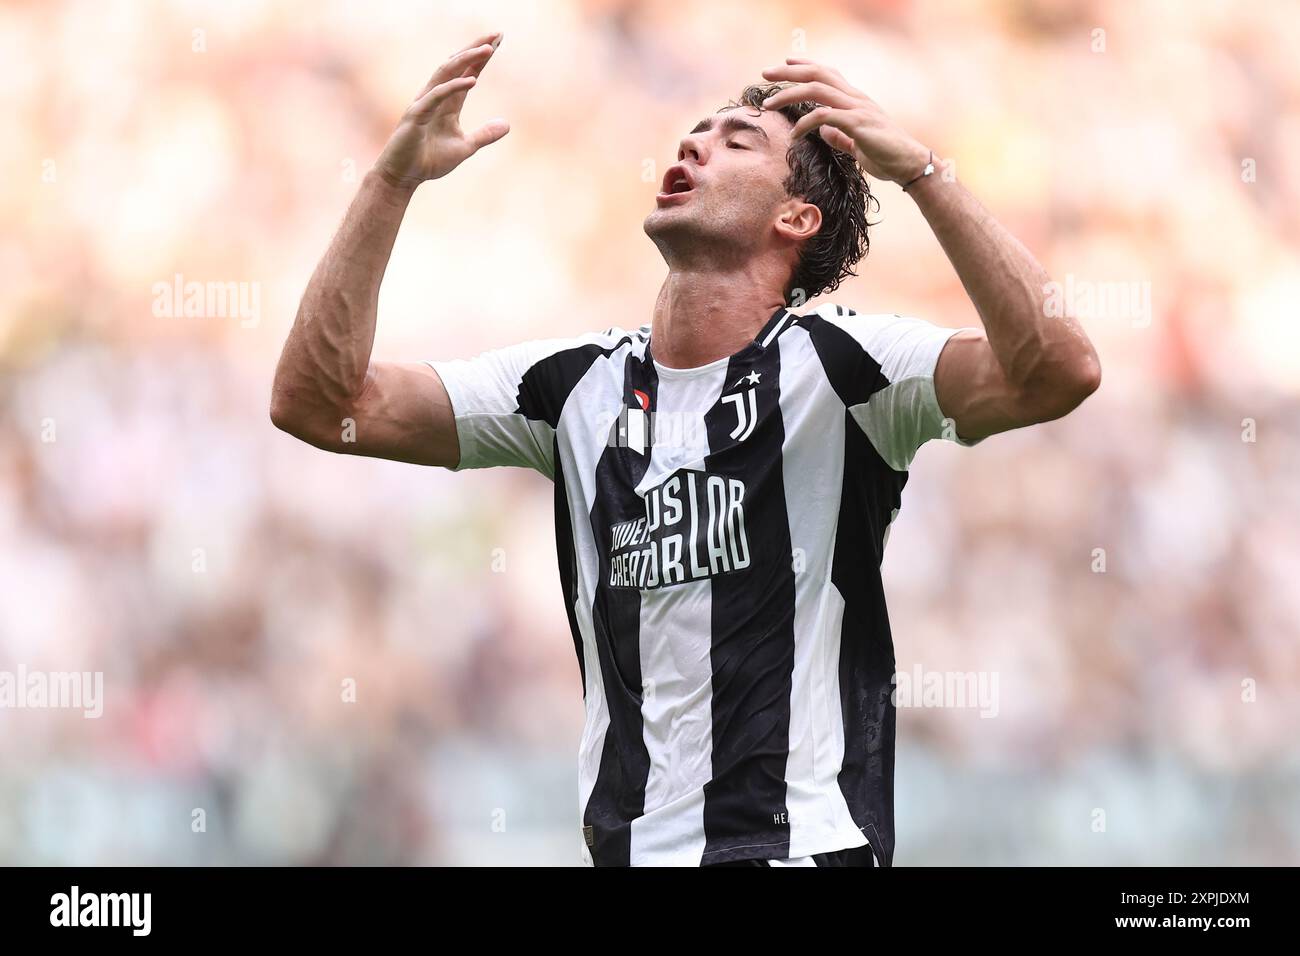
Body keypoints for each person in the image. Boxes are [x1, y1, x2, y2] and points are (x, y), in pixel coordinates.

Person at [270, 31, 1100, 867]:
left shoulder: (844, 366)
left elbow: (1056, 371)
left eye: (737, 141)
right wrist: (389, 181)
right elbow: (321, 402)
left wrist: (923, 172)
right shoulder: (571, 388)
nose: (695, 143)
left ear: (795, 218)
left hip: (798, 850)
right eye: (693, 136)